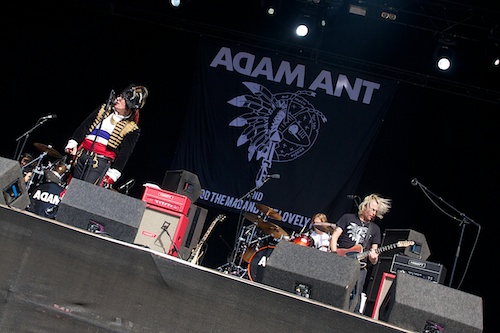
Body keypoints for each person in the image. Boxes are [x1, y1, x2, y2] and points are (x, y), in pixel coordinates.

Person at [64, 84, 148, 188]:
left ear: (129, 105)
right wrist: (74, 142)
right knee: (72, 188)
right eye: (119, 96)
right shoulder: (104, 110)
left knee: (85, 191)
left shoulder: (132, 128)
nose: (118, 99)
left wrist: (115, 171)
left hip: (99, 162)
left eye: (122, 99)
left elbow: (125, 153)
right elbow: (85, 125)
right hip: (82, 154)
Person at [329, 193, 391, 313]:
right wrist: (334, 254)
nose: (374, 213)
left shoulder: (375, 229)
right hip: (341, 259)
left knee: (355, 295)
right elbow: (334, 236)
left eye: (376, 211)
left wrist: (373, 258)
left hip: (360, 266)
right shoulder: (347, 218)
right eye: (372, 209)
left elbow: (374, 254)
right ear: (365, 206)